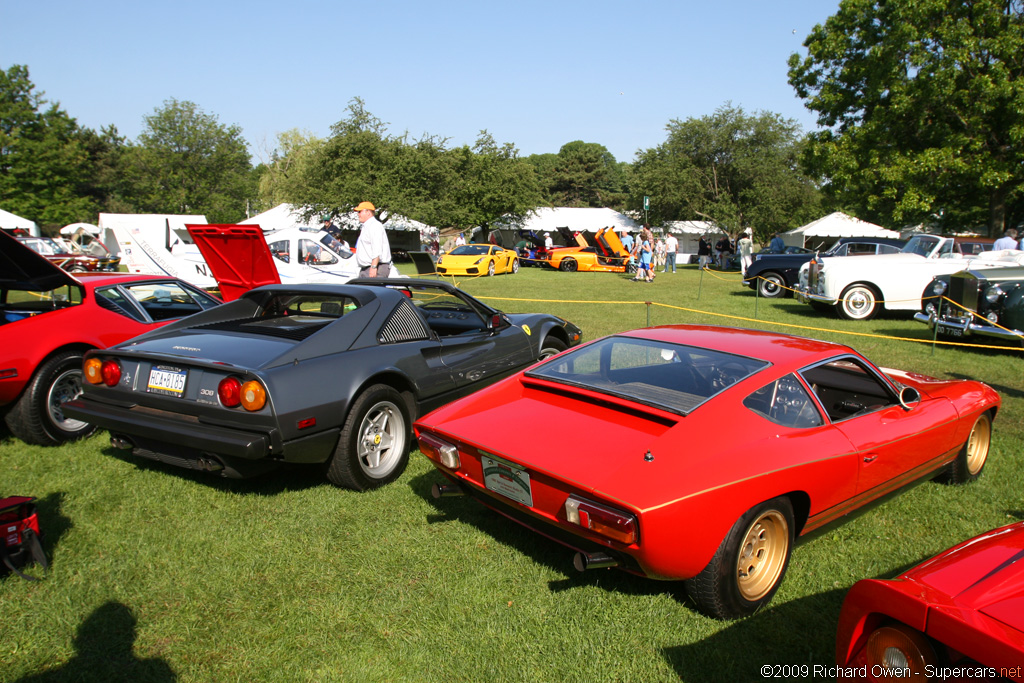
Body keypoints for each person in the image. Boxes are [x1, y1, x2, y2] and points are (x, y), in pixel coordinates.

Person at [354, 201, 392, 278]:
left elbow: (377, 248)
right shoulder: (367, 226)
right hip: (368, 268)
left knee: (372, 289)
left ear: (368, 212)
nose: (358, 214)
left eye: (360, 211)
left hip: (376, 267)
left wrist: (373, 267)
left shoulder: (374, 226)